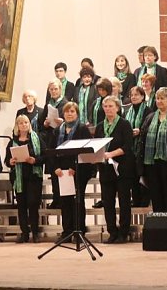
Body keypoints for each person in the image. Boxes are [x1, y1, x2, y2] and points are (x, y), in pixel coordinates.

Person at [96, 95, 136, 243]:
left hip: (122, 168)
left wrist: (110, 154)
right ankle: (112, 232)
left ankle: (123, 232)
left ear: (117, 108)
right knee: (108, 202)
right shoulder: (100, 126)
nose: (108, 109)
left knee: (124, 201)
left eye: (111, 106)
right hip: (106, 169)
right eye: (105, 106)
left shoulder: (124, 124)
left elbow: (128, 146)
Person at [50, 102, 93, 239]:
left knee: (77, 201)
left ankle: (79, 231)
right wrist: (55, 167)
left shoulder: (82, 129)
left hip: (78, 170)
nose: (69, 114)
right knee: (65, 202)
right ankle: (67, 231)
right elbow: (51, 151)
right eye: (67, 111)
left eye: (72, 111)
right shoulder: (57, 130)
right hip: (61, 172)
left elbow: (85, 151)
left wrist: (74, 168)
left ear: (77, 113)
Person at [5, 114, 43, 243]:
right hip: (19, 178)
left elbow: (45, 156)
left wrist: (35, 160)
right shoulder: (12, 142)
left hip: (34, 177)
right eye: (21, 123)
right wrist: (11, 161)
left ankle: (35, 232)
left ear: (29, 124)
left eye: (26, 122)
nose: (24, 125)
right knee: (21, 206)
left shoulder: (36, 138)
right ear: (17, 126)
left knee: (33, 204)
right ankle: (24, 233)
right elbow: (6, 161)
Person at [38, 79, 66, 209]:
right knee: (54, 171)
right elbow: (42, 125)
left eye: (55, 89)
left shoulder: (65, 103)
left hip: (62, 140)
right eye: (51, 89)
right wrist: (45, 123)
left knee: (62, 171)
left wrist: (63, 122)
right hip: (51, 140)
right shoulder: (47, 105)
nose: (53, 91)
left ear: (60, 89)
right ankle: (56, 199)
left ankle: (63, 200)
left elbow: (73, 121)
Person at [123, 86, 150, 206]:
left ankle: (144, 200)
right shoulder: (127, 110)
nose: (133, 97)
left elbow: (150, 127)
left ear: (143, 96)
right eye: (132, 95)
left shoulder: (148, 110)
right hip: (131, 148)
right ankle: (136, 199)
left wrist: (141, 131)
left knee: (142, 175)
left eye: (136, 95)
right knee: (132, 176)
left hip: (143, 147)